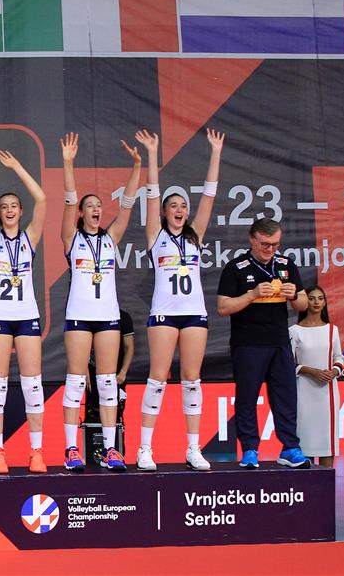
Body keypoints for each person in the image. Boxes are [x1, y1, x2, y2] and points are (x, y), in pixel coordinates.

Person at [134, 128, 224, 472]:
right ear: (164, 212)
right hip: (163, 314)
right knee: (158, 378)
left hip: (194, 314)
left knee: (192, 379)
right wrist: (152, 153)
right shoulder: (155, 236)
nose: (180, 209)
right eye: (174, 205)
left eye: (183, 206)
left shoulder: (195, 236)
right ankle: (145, 449)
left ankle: (193, 448)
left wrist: (215, 152)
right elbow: (152, 192)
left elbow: (209, 196)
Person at [58, 133, 141, 472]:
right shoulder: (71, 238)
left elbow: (128, 205)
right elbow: (68, 201)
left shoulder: (110, 238)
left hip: (108, 317)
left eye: (98, 206)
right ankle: (70, 450)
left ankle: (110, 450)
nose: (96, 209)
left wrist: (136, 166)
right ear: (81, 213)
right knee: (77, 381)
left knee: (107, 383)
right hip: (79, 316)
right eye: (90, 206)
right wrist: (67, 163)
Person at [217, 218, 311, 469]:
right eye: (265, 244)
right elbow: (223, 307)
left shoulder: (286, 264)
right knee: (247, 398)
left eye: (275, 244)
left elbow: (303, 303)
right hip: (248, 343)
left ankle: (290, 448)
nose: (270, 249)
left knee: (285, 397)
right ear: (252, 239)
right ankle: (250, 450)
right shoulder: (236, 267)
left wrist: (294, 296)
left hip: (279, 341)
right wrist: (252, 294)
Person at [0, 141, 48, 474]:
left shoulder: (29, 237)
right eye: (4, 207)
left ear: (20, 212)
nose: (8, 210)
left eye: (13, 206)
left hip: (26, 317)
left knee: (32, 384)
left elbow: (42, 199)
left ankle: (36, 451)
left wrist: (16, 167)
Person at [289, 286, 344, 467]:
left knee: (327, 444)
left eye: (320, 298)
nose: (316, 302)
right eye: (312, 298)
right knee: (305, 444)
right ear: (305, 302)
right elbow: (288, 364)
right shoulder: (294, 331)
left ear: (325, 302)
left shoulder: (332, 330)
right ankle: (308, 481)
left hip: (327, 394)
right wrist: (311, 371)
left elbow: (339, 358)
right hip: (303, 393)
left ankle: (326, 483)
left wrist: (334, 371)